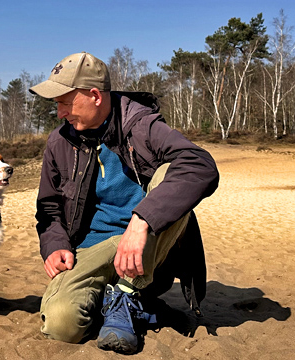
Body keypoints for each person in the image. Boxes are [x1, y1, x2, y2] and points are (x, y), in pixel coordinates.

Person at [30, 52, 219, 354]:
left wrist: (142, 220)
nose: (59, 113)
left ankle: (128, 294)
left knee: (173, 171)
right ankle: (133, 308)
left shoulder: (141, 126)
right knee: (61, 325)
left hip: (147, 252)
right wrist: (54, 245)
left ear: (94, 95)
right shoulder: (59, 142)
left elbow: (200, 165)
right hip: (91, 250)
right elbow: (49, 207)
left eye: (65, 102)